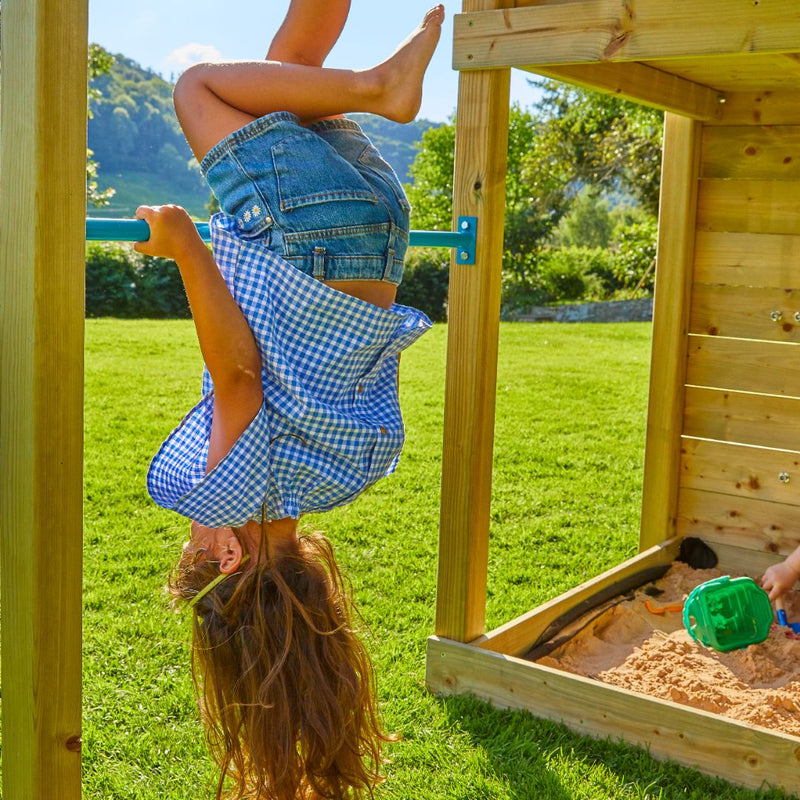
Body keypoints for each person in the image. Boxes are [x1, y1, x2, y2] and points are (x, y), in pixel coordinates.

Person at [133, 3, 445, 799]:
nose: (193, 540)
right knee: (198, 87)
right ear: (228, 559)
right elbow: (237, 375)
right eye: (196, 553)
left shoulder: (344, 475)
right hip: (300, 233)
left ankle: (369, 81)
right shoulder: (228, 491)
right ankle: (381, 85)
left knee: (291, 63)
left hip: (377, 234)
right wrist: (185, 245)